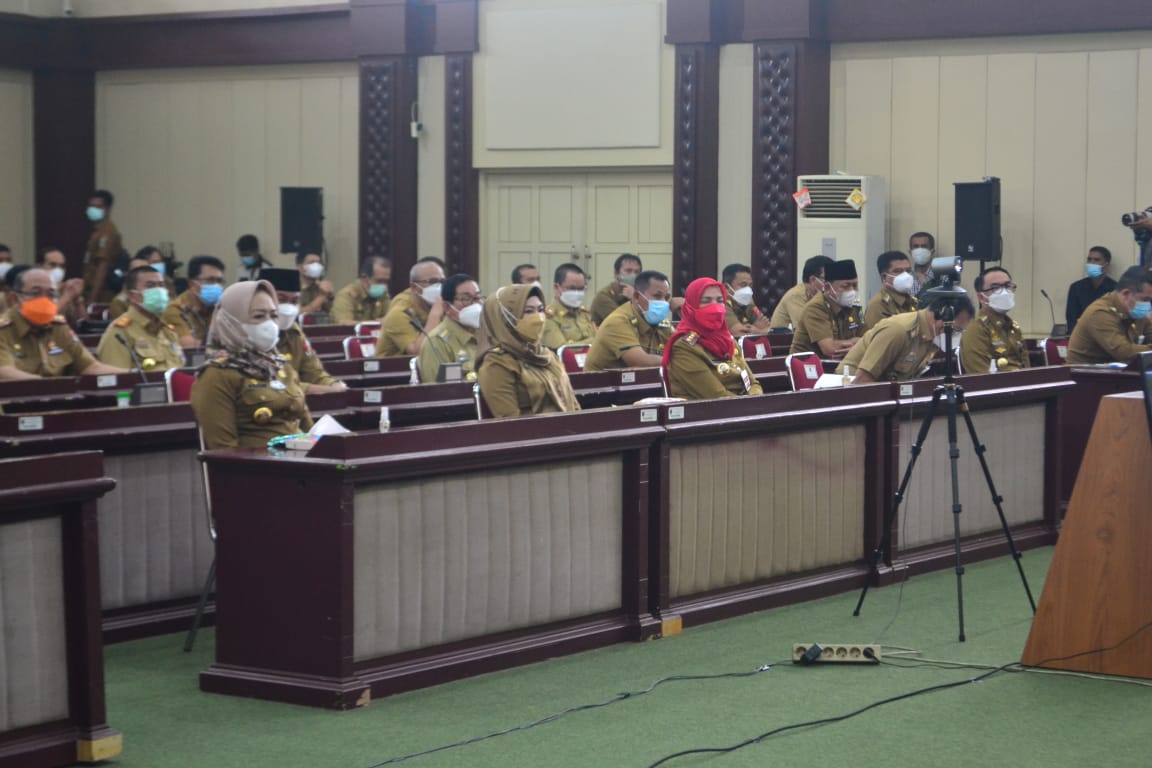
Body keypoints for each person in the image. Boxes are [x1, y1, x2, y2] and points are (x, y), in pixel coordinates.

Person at [190, 280, 312, 450]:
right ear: (231, 322)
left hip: (303, 463)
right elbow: (224, 450)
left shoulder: (281, 366)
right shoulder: (217, 375)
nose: (269, 324)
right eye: (259, 316)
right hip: (258, 471)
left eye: (274, 315)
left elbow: (308, 430)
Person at [0, 267, 125, 380]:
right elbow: (4, 372)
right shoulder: (3, 330)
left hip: (59, 400)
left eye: (51, 294)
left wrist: (134, 373)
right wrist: (50, 386)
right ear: (15, 299)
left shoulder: (58, 327)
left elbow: (90, 367)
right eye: (35, 293)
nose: (44, 300)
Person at [476, 283, 579, 418]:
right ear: (506, 319)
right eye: (529, 311)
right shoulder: (497, 364)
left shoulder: (547, 356)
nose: (538, 318)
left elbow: (573, 404)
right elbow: (511, 422)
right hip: (535, 436)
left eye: (541, 309)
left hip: (569, 432)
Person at [837, 294, 976, 383]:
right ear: (940, 317)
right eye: (956, 330)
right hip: (850, 392)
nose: (956, 335)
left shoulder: (930, 337)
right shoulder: (899, 330)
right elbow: (863, 380)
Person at [663, 277, 763, 399]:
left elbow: (753, 383)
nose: (715, 306)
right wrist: (753, 406)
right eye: (706, 301)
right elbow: (716, 396)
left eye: (720, 300)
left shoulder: (728, 340)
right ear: (691, 306)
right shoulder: (683, 347)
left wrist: (756, 400)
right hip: (707, 414)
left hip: (743, 408)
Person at [96, 266, 185, 372]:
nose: (159, 291)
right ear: (133, 296)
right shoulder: (119, 333)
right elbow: (117, 383)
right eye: (150, 286)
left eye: (161, 285)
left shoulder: (167, 331)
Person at [583, 270, 674, 371]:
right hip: (601, 384)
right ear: (637, 296)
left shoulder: (660, 321)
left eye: (666, 297)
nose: (663, 302)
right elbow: (640, 362)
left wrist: (684, 313)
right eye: (657, 296)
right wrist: (678, 362)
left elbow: (684, 350)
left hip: (640, 383)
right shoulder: (618, 322)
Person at [1066, 265, 1152, 365]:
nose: (1148, 305)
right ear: (1126, 294)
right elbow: (1125, 353)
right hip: (1084, 376)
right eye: (1145, 299)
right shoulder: (1100, 313)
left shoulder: (1133, 311)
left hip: (1115, 374)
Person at [789, 259, 864, 359]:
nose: (852, 291)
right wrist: (857, 343)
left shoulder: (854, 306)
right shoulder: (816, 307)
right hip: (809, 367)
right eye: (846, 286)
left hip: (841, 365)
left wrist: (859, 343)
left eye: (855, 286)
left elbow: (868, 340)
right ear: (828, 288)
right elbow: (830, 349)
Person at [415, 273, 483, 382]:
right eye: (466, 299)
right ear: (446, 307)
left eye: (478, 297)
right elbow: (438, 392)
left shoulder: (486, 334)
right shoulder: (437, 342)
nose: (475, 304)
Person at [959, 267, 1028, 373]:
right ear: (981, 297)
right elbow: (981, 377)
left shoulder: (1013, 327)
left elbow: (1026, 369)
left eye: (1007, 286)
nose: (1004, 292)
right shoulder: (976, 329)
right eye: (995, 288)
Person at [273, 296, 347, 394]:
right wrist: (312, 389)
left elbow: (313, 372)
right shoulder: (253, 336)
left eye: (294, 301)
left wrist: (332, 384)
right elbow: (269, 384)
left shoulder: (295, 333)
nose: (288, 307)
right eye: (281, 300)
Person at [375, 259, 446, 357]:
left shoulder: (435, 305)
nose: (439, 287)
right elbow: (418, 353)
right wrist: (435, 315)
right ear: (414, 287)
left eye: (442, 281)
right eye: (432, 281)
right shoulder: (398, 314)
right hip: (393, 370)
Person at [163, 255, 226, 347]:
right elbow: (189, 346)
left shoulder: (220, 307)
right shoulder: (175, 310)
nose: (216, 286)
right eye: (210, 280)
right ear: (192, 284)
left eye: (219, 281)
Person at [541, 263, 597, 350]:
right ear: (556, 287)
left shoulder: (585, 314)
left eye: (581, 288)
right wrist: (594, 342)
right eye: (572, 288)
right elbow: (563, 350)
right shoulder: (548, 317)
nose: (577, 293)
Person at [769, 255, 833, 331]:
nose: (831, 283)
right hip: (782, 341)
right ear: (812, 279)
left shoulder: (820, 296)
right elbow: (807, 329)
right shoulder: (796, 296)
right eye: (828, 279)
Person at [82, 189, 123, 306]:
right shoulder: (97, 232)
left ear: (108, 209)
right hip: (90, 289)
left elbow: (102, 266)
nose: (93, 210)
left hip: (103, 294)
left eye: (98, 207)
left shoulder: (107, 232)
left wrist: (92, 299)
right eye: (91, 206)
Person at [1065, 246, 1116, 333]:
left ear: (1106, 265)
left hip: (1107, 338)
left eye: (1096, 260)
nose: (1091, 263)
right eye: (1089, 259)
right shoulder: (1076, 288)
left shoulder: (1115, 289)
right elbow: (1071, 319)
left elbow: (1116, 320)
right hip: (1081, 338)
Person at [863, 251, 917, 329]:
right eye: (898, 271)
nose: (906, 275)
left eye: (908, 270)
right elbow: (879, 339)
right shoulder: (878, 305)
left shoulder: (912, 301)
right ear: (884, 277)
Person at [36, 246, 87, 329]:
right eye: (53, 265)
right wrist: (67, 297)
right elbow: (45, 320)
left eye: (62, 266)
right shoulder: (32, 290)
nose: (58, 270)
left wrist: (78, 299)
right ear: (39, 266)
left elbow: (83, 324)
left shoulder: (65, 289)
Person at [331, 256, 392, 324]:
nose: (383, 286)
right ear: (364, 278)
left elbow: (392, 318)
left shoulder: (382, 294)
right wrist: (375, 323)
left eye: (386, 281)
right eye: (379, 281)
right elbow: (343, 323)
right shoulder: (346, 295)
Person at [590, 253, 642, 325]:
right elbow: (625, 323)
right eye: (628, 271)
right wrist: (634, 299)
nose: (633, 275)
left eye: (636, 272)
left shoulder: (640, 293)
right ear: (616, 274)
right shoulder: (603, 296)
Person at [721, 263, 771, 336]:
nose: (748, 290)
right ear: (726, 287)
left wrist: (758, 330)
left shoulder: (747, 301)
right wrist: (759, 331)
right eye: (743, 285)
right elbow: (739, 333)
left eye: (750, 285)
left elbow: (768, 327)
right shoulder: (721, 305)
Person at [296, 251, 335, 316]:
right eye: (312, 262)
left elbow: (335, 312)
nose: (316, 266)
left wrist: (331, 297)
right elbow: (297, 314)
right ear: (300, 267)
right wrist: (321, 297)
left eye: (318, 262)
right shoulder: (293, 288)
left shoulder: (321, 286)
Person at [908, 231, 936, 296]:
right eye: (916, 246)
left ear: (932, 251)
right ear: (910, 252)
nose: (920, 250)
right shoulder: (905, 276)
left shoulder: (942, 277)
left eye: (924, 246)